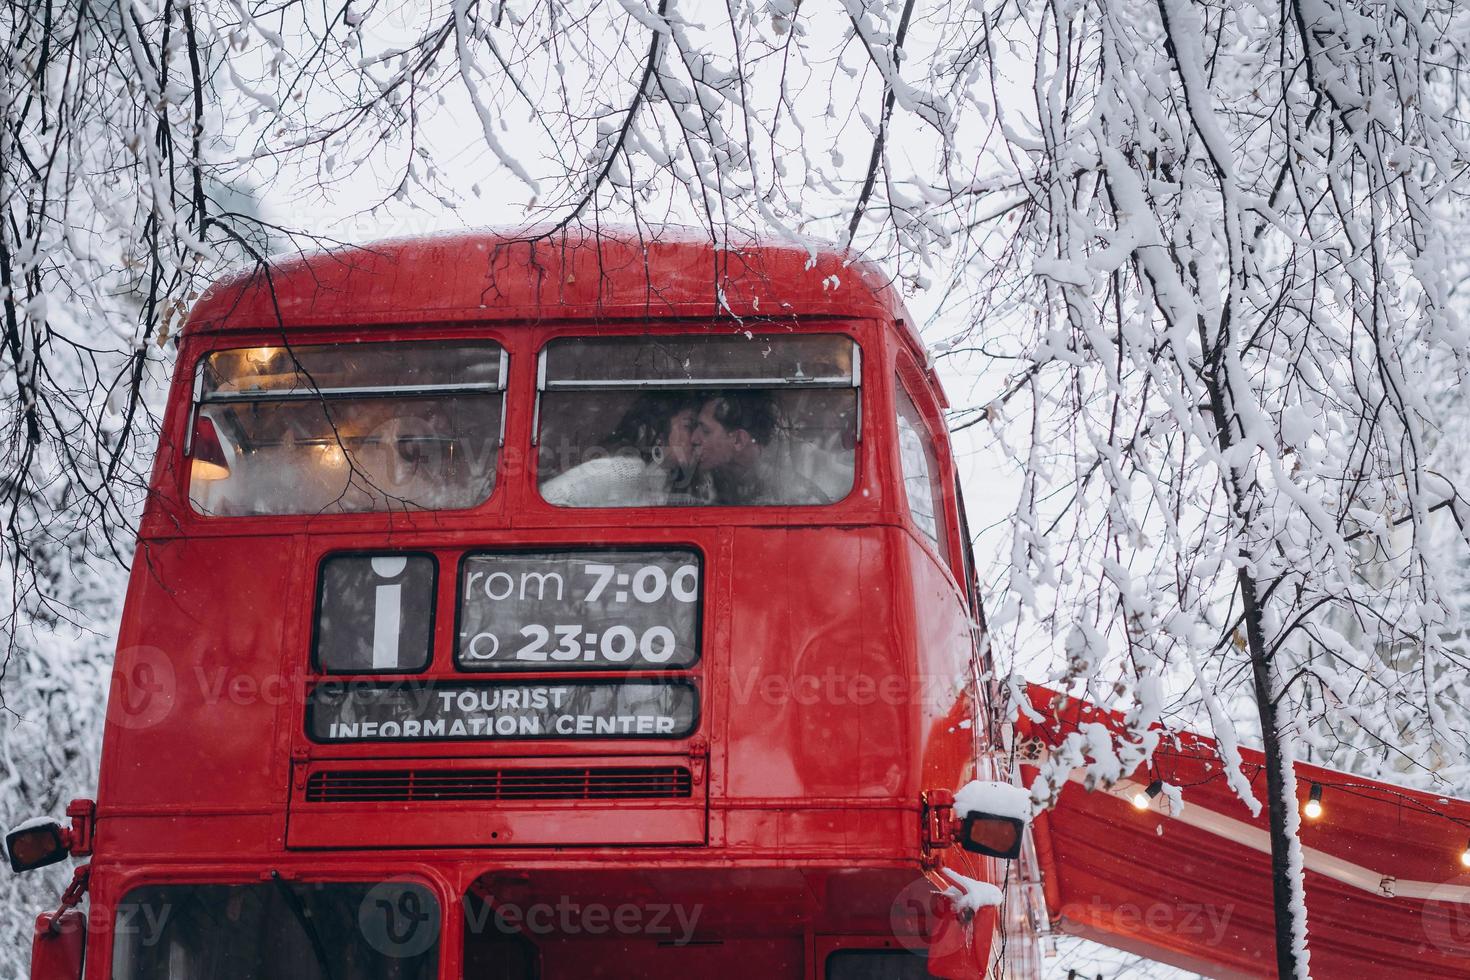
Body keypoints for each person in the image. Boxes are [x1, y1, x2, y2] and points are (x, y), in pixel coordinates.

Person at [540, 393, 705, 507]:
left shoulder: (674, 480)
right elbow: (553, 495)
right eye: (689, 426)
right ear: (657, 432)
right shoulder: (627, 470)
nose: (697, 438)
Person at [691, 392, 852, 505]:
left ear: (738, 440)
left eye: (706, 431)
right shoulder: (709, 476)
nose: (694, 438)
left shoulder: (794, 484)